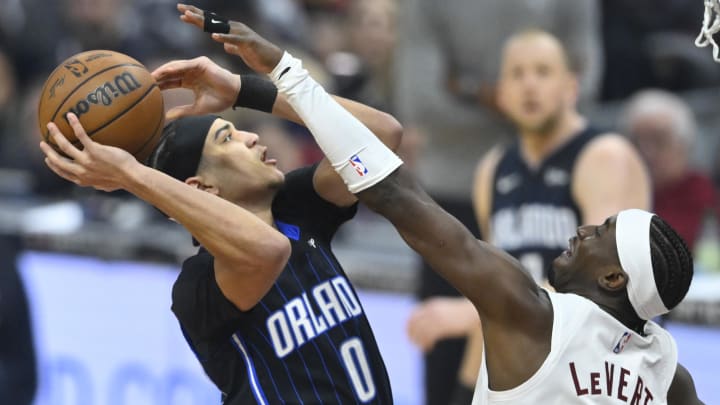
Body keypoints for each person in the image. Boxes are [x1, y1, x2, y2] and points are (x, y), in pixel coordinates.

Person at [187, 17, 699, 403]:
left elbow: (391, 189)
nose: (584, 230)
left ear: (613, 278)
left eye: (601, 232)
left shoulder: (529, 299)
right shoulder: (664, 367)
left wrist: (283, 74)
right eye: (516, 71)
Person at [39, 4, 399, 404]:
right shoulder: (199, 286)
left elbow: (380, 138)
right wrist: (131, 174)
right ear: (202, 187)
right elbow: (268, 251)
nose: (251, 138)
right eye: (228, 138)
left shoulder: (298, 210)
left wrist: (247, 90)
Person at [406, 29, 651, 402]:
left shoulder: (605, 157)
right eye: (517, 74)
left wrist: (467, 313)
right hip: (521, 372)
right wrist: (470, 389)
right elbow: (496, 282)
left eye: (542, 71)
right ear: (501, 95)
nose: (529, 85)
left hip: (600, 375)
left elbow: (600, 287)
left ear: (571, 87)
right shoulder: (492, 169)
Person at [621, 89, 718, 252]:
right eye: (637, 141)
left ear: (683, 145)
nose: (647, 152)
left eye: (659, 141)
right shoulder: (619, 190)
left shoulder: (701, 193)